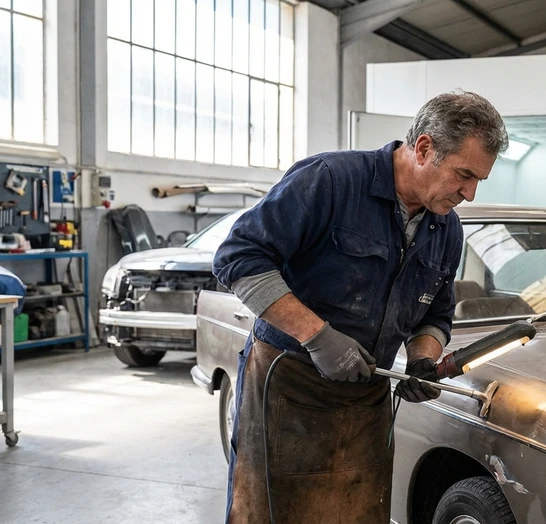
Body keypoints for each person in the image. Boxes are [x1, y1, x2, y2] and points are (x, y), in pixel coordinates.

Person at [212, 90, 508, 523]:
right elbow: (237, 259)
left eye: (479, 180)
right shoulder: (329, 181)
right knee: (269, 513)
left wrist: (422, 359)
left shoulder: (445, 230)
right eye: (464, 175)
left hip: (367, 402)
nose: (470, 193)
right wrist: (318, 337)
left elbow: (435, 314)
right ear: (424, 148)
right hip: (287, 391)